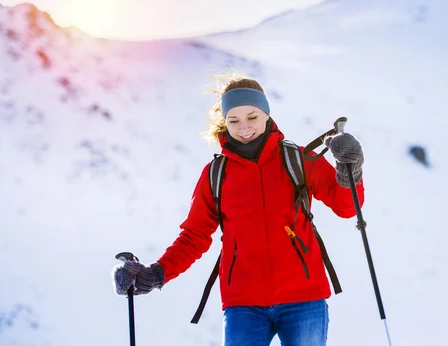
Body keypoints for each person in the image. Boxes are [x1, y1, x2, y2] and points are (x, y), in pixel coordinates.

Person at [112, 74, 365, 346]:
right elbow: (194, 236)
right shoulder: (216, 174)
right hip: (244, 303)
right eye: (234, 120)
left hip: (303, 298)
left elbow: (346, 207)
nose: (244, 127)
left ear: (266, 114)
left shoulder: (298, 159)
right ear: (225, 122)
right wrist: (157, 273)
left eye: (252, 117)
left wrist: (350, 170)